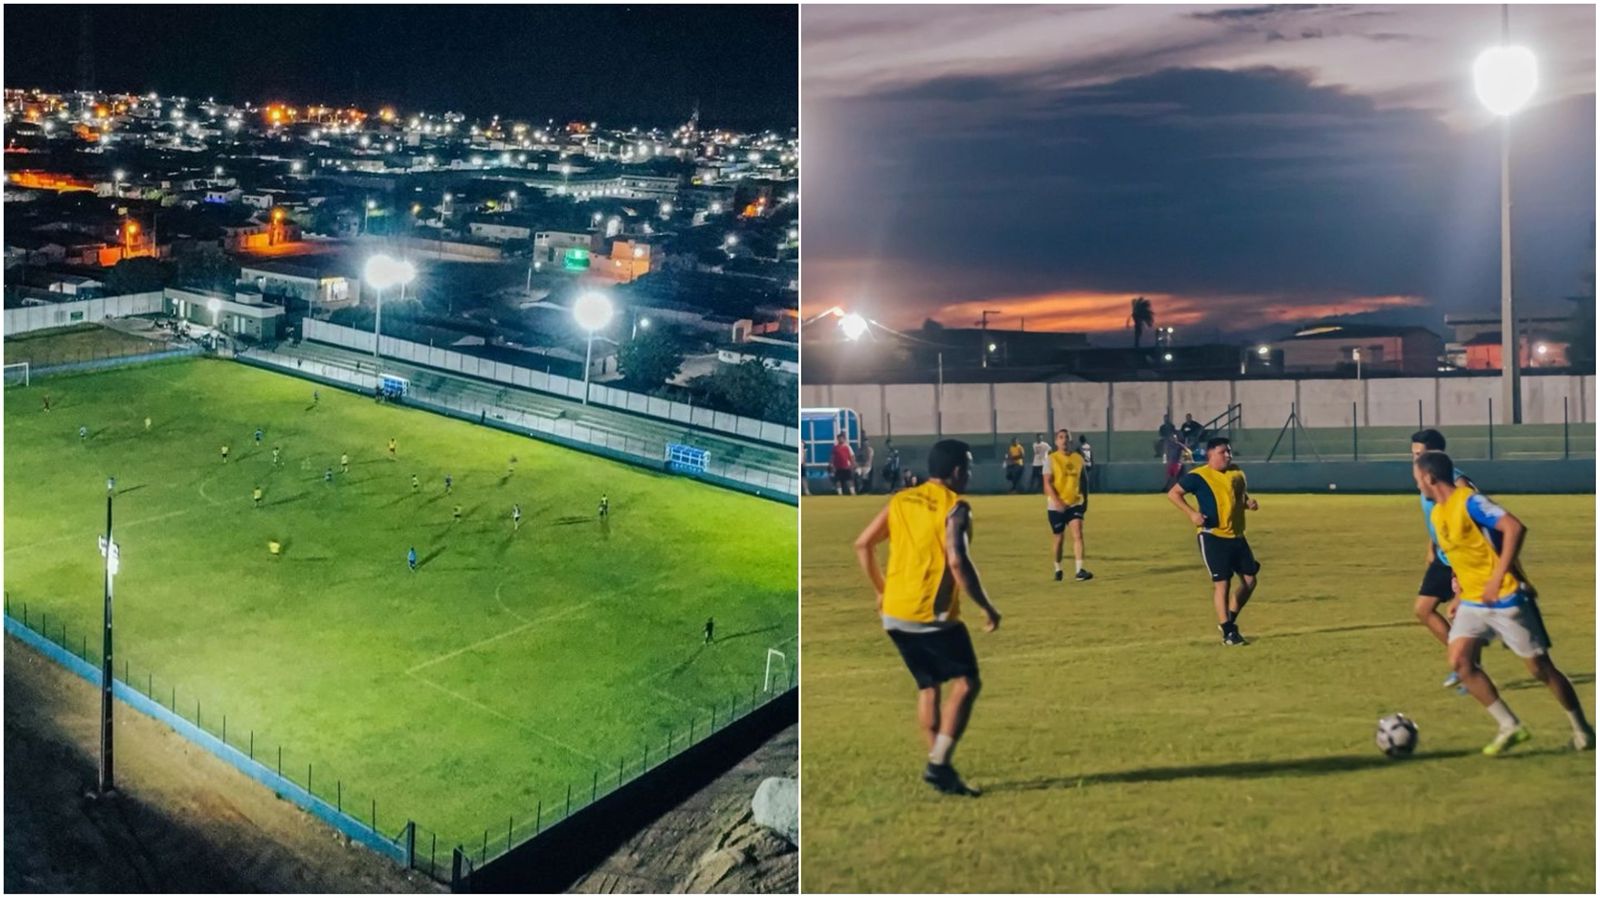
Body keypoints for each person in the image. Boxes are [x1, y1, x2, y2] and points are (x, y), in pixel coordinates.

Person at [1414, 450, 1593, 753]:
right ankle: (1510, 725)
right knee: (1460, 662)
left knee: (1540, 669)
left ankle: (1582, 730)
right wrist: (1458, 595)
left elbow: (1514, 527)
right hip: (1473, 601)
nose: (1417, 485)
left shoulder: (1470, 501)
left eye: (1417, 479)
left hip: (1507, 598)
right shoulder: (1437, 514)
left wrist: (1498, 577)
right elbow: (1463, 557)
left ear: (1430, 477)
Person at [853, 439, 1001, 797]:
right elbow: (957, 561)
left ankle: (941, 768)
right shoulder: (955, 508)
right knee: (967, 683)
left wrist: (881, 590)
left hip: (894, 615)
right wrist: (986, 606)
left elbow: (863, 544)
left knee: (928, 684)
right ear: (957, 471)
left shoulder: (901, 500)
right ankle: (938, 764)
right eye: (968, 466)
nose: (969, 473)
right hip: (930, 615)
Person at [1167, 437, 1259, 646]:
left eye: (1229, 451)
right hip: (1212, 536)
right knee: (1222, 583)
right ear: (1210, 455)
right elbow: (1174, 494)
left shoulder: (1237, 473)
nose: (1228, 455)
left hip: (1237, 535)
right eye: (1222, 452)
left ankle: (1229, 619)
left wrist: (1248, 503)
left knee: (1250, 581)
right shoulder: (1199, 476)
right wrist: (1192, 514)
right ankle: (1228, 631)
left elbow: (1239, 496)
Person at [1410, 429, 1476, 691]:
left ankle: (1468, 669)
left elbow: (1471, 515)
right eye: (1413, 454)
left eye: (1419, 454)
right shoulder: (1425, 480)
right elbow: (1437, 519)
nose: (1415, 459)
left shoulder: (1456, 481)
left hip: (1461, 557)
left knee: (1460, 615)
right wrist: (1431, 546)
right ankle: (1463, 664)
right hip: (1442, 555)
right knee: (1423, 609)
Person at [1044, 429, 1092, 582]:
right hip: (1056, 506)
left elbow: (1084, 480)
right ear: (1056, 442)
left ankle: (1079, 571)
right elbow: (1047, 483)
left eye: (1066, 438)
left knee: (1078, 534)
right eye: (1061, 437)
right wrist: (1057, 501)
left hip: (1074, 504)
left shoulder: (1078, 459)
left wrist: (1086, 500)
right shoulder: (1051, 459)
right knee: (1059, 538)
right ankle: (1058, 568)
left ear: (1070, 441)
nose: (1064, 440)